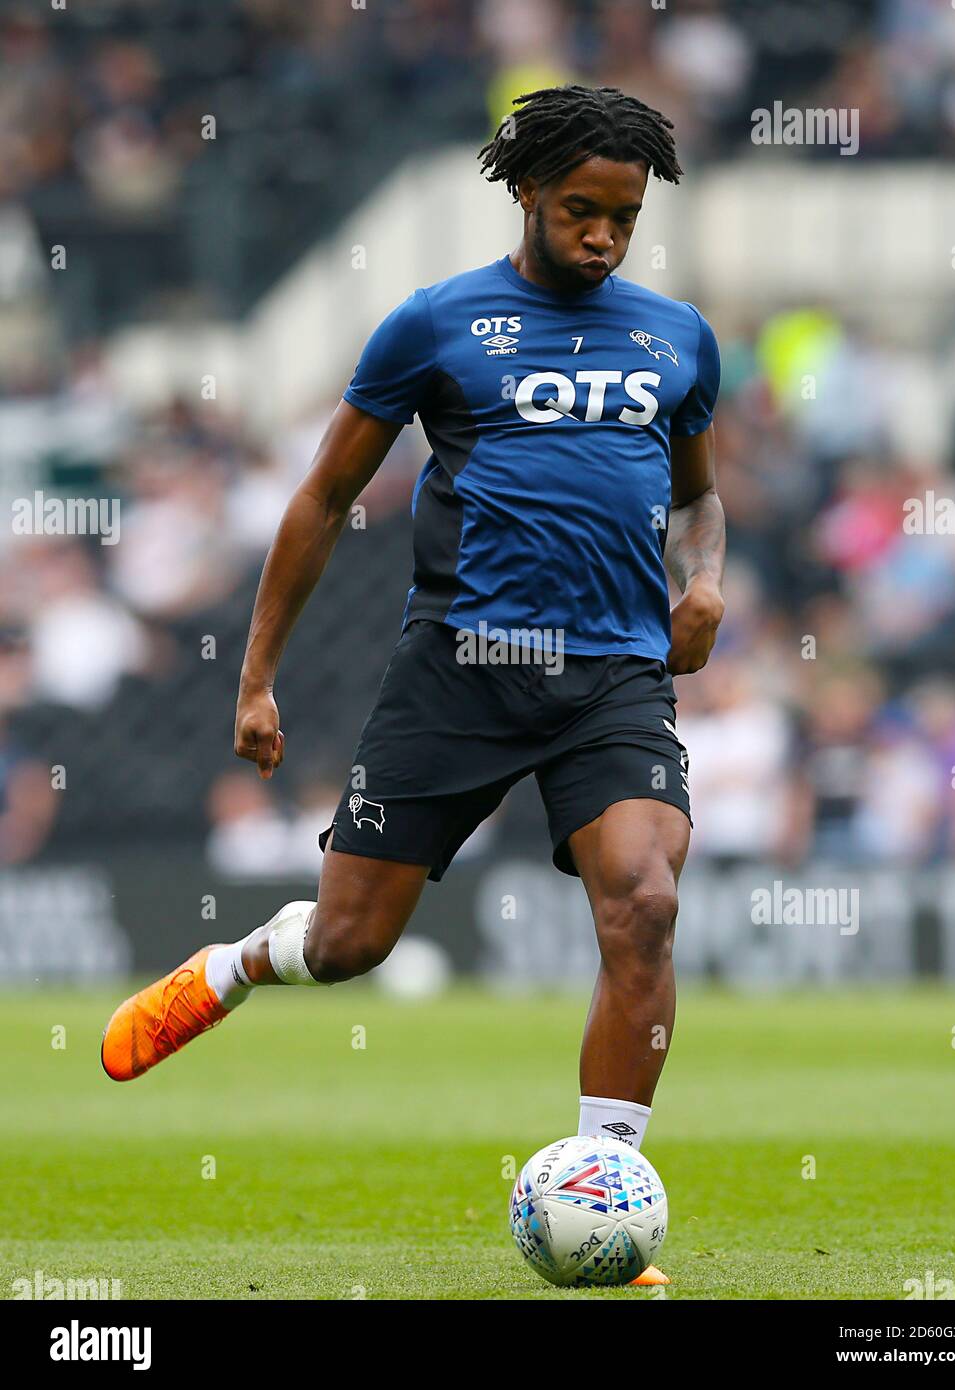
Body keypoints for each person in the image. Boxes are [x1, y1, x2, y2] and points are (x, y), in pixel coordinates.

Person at [101, 85, 726, 1283]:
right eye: (581, 211)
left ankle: (606, 1192)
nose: (602, 236)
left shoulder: (674, 337)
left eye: (624, 218)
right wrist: (258, 679)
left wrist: (700, 583)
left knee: (643, 902)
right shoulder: (436, 325)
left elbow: (697, 496)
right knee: (348, 945)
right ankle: (238, 964)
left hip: (612, 675)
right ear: (530, 195)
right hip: (462, 671)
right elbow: (322, 500)